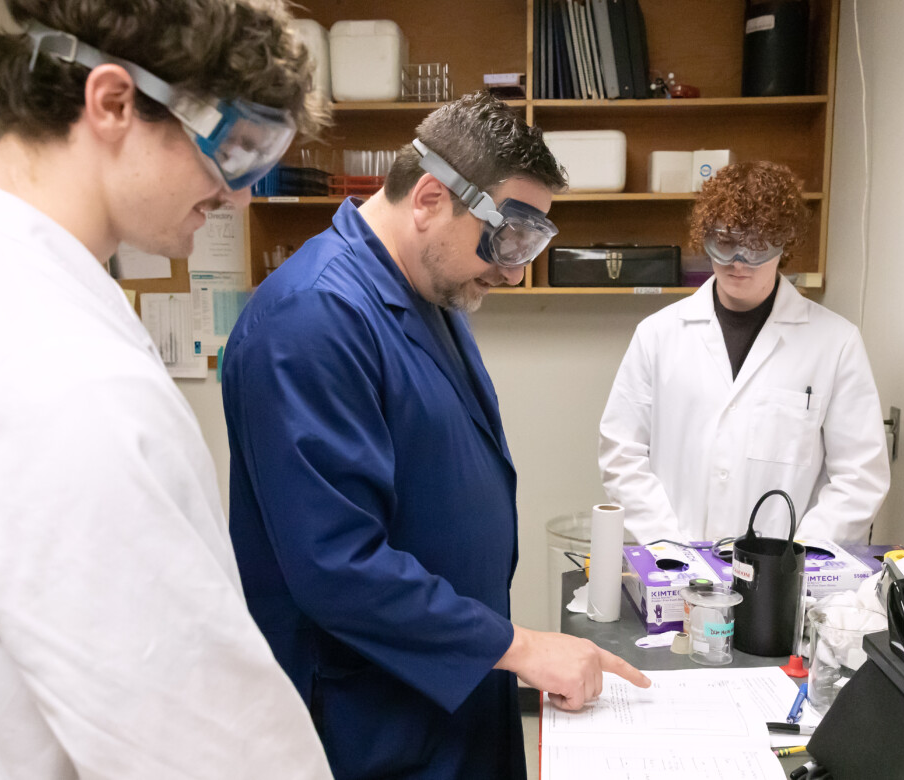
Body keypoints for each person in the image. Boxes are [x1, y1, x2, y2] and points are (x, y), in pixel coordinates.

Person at [0, 2, 332, 777]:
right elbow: (198, 751)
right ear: (113, 102)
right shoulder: (54, 371)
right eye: (237, 150)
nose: (241, 195)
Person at [221, 92, 650, 779]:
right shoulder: (310, 321)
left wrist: (500, 649)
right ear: (428, 198)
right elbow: (337, 565)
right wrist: (518, 647)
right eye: (507, 238)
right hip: (370, 719)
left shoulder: (427, 293)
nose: (514, 270)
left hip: (451, 691)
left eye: (531, 244)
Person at [598, 161, 890, 545]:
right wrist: (669, 547)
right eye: (726, 241)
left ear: (783, 243)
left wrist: (795, 559)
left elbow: (859, 476)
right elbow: (622, 454)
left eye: (757, 245)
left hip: (783, 583)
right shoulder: (657, 335)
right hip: (676, 569)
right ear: (705, 237)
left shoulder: (836, 343)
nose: (739, 261)